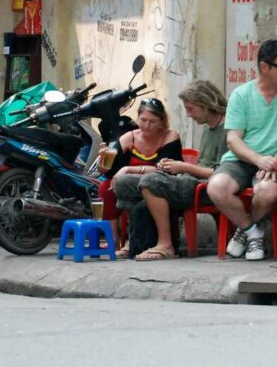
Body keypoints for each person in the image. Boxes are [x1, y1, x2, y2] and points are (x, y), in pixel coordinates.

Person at [208, 40, 277, 261]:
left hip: (276, 161)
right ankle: (253, 232)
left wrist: (275, 162)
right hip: (241, 159)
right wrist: (259, 160)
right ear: (264, 67)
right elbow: (233, 140)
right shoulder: (241, 94)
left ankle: (243, 232)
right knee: (216, 187)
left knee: (268, 191)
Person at [112, 80, 229, 260]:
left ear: (206, 105)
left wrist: (182, 166)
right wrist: (171, 166)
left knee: (151, 181)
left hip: (209, 188)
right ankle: (134, 241)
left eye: (191, 109)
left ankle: (166, 244)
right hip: (189, 181)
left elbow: (221, 173)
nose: (188, 114)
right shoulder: (208, 128)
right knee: (123, 183)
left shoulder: (227, 130)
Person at [96, 97, 182, 257]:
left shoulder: (170, 136)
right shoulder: (130, 137)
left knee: (127, 183)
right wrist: (103, 159)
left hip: (159, 184)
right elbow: (106, 171)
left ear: (162, 122)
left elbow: (165, 169)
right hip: (130, 184)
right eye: (143, 120)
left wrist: (129, 169)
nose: (146, 125)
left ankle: (132, 240)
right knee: (105, 187)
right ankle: (113, 239)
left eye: (152, 121)